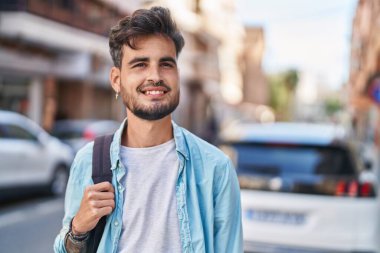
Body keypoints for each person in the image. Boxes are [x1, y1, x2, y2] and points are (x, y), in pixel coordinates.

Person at [54, 6, 242, 253]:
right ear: (116, 80)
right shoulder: (88, 161)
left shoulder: (216, 168)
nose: (155, 76)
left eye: (166, 64)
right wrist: (78, 228)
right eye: (140, 64)